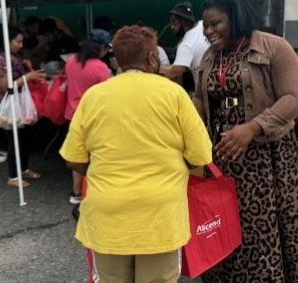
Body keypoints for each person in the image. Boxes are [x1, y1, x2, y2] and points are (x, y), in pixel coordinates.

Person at [60, 25, 212, 283]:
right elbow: (200, 156)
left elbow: (73, 158)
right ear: (152, 59)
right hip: (160, 216)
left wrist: (104, 170)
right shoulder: (173, 94)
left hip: (108, 215)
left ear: (116, 59)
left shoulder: (94, 96)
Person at [193, 0, 298, 282]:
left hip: (268, 159)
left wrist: (252, 127)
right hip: (225, 158)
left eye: (215, 23)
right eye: (205, 26)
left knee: (265, 225)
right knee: (227, 221)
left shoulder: (274, 47)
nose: (209, 31)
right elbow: (201, 103)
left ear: (236, 17)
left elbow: (294, 97)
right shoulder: (209, 57)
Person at [0, 26, 46, 187]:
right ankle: (13, 176)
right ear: (7, 41)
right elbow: (4, 86)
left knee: (26, 138)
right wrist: (27, 77)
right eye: (18, 41)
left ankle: (23, 168)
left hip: (22, 102)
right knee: (14, 140)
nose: (21, 45)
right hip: (9, 105)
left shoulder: (15, 56)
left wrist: (28, 69)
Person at [63, 29, 111, 204]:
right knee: (95, 156)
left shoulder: (70, 62)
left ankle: (76, 194)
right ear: (102, 48)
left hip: (72, 114)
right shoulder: (100, 67)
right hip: (93, 117)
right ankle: (92, 193)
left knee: (77, 156)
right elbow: (107, 95)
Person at [160, 2, 209, 89]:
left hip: (206, 93)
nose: (172, 27)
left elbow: (175, 73)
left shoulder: (186, 45)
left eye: (174, 22)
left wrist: (153, 67)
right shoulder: (203, 24)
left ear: (183, 21)